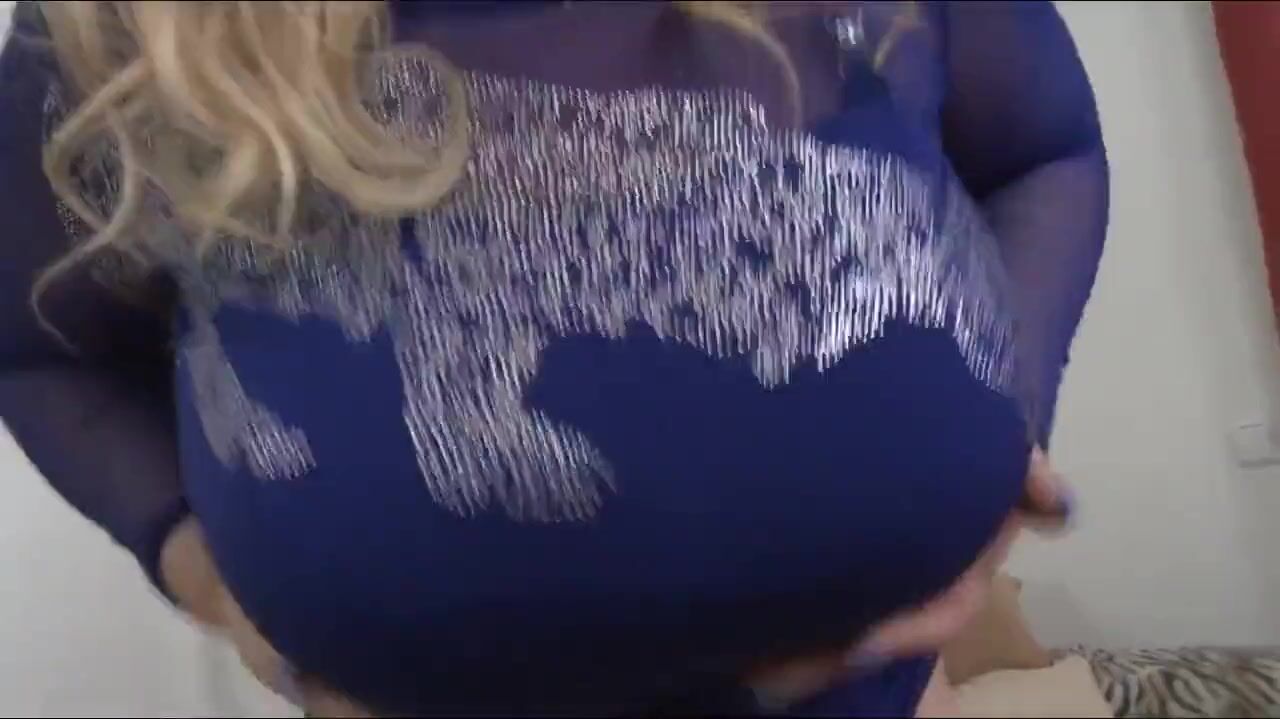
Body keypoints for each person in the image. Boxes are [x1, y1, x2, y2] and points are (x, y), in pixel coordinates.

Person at [0, 1, 1106, 715]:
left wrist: (1001, 404)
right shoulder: (122, 25)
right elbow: (39, 349)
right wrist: (202, 569)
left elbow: (1043, 151)